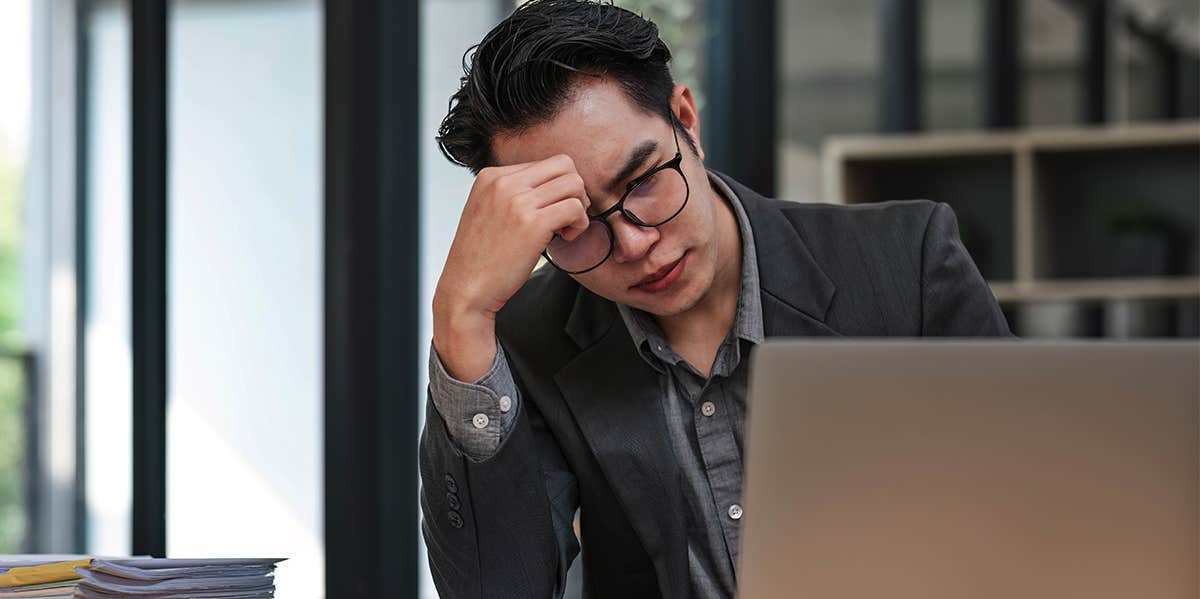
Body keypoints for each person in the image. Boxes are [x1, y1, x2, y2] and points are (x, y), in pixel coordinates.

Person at [419, 1, 1012, 597]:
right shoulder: (528, 343)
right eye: (573, 228)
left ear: (686, 120)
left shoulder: (904, 262)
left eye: (643, 181)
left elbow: (1028, 505)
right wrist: (459, 318)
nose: (633, 243)